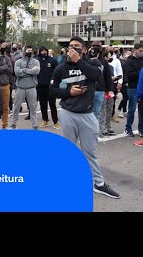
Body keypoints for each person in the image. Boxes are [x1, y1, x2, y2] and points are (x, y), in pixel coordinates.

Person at [50, 36, 120, 199]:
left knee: (90, 151)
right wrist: (68, 92)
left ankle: (99, 184)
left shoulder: (93, 64)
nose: (72, 48)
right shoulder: (61, 68)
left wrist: (79, 61)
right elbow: (51, 91)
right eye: (70, 46)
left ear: (84, 49)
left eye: (76, 46)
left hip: (87, 115)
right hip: (68, 113)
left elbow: (96, 76)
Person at [10, 45, 40, 130]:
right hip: (20, 87)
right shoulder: (18, 62)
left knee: (33, 107)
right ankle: (13, 124)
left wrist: (24, 70)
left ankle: (34, 125)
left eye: (31, 50)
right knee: (16, 107)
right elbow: (17, 73)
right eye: (27, 50)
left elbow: (37, 71)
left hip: (32, 87)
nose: (29, 52)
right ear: (24, 51)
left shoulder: (36, 61)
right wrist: (30, 71)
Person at [124, 43, 143, 138]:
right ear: (135, 50)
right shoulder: (129, 61)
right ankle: (128, 128)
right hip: (133, 87)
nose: (142, 53)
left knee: (142, 109)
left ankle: (141, 129)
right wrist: (142, 71)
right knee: (132, 109)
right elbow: (129, 75)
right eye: (140, 51)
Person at [35, 45, 59, 129]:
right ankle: (45, 120)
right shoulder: (37, 61)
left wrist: (55, 83)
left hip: (51, 87)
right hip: (40, 87)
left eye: (45, 51)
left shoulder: (53, 60)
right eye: (42, 51)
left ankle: (55, 122)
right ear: (39, 52)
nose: (43, 52)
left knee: (52, 104)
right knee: (42, 104)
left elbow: (57, 72)